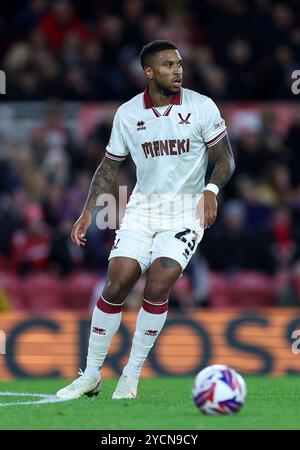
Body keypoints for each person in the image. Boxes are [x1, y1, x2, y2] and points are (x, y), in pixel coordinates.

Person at [56, 40, 235, 400]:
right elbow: (109, 166)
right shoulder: (127, 114)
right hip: (141, 210)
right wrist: (88, 211)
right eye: (168, 65)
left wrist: (211, 192)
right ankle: (91, 374)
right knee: (118, 282)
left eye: (180, 64)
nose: (178, 70)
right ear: (149, 72)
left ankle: (131, 375)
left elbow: (225, 160)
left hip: (186, 213)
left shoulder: (202, 107)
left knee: (158, 284)